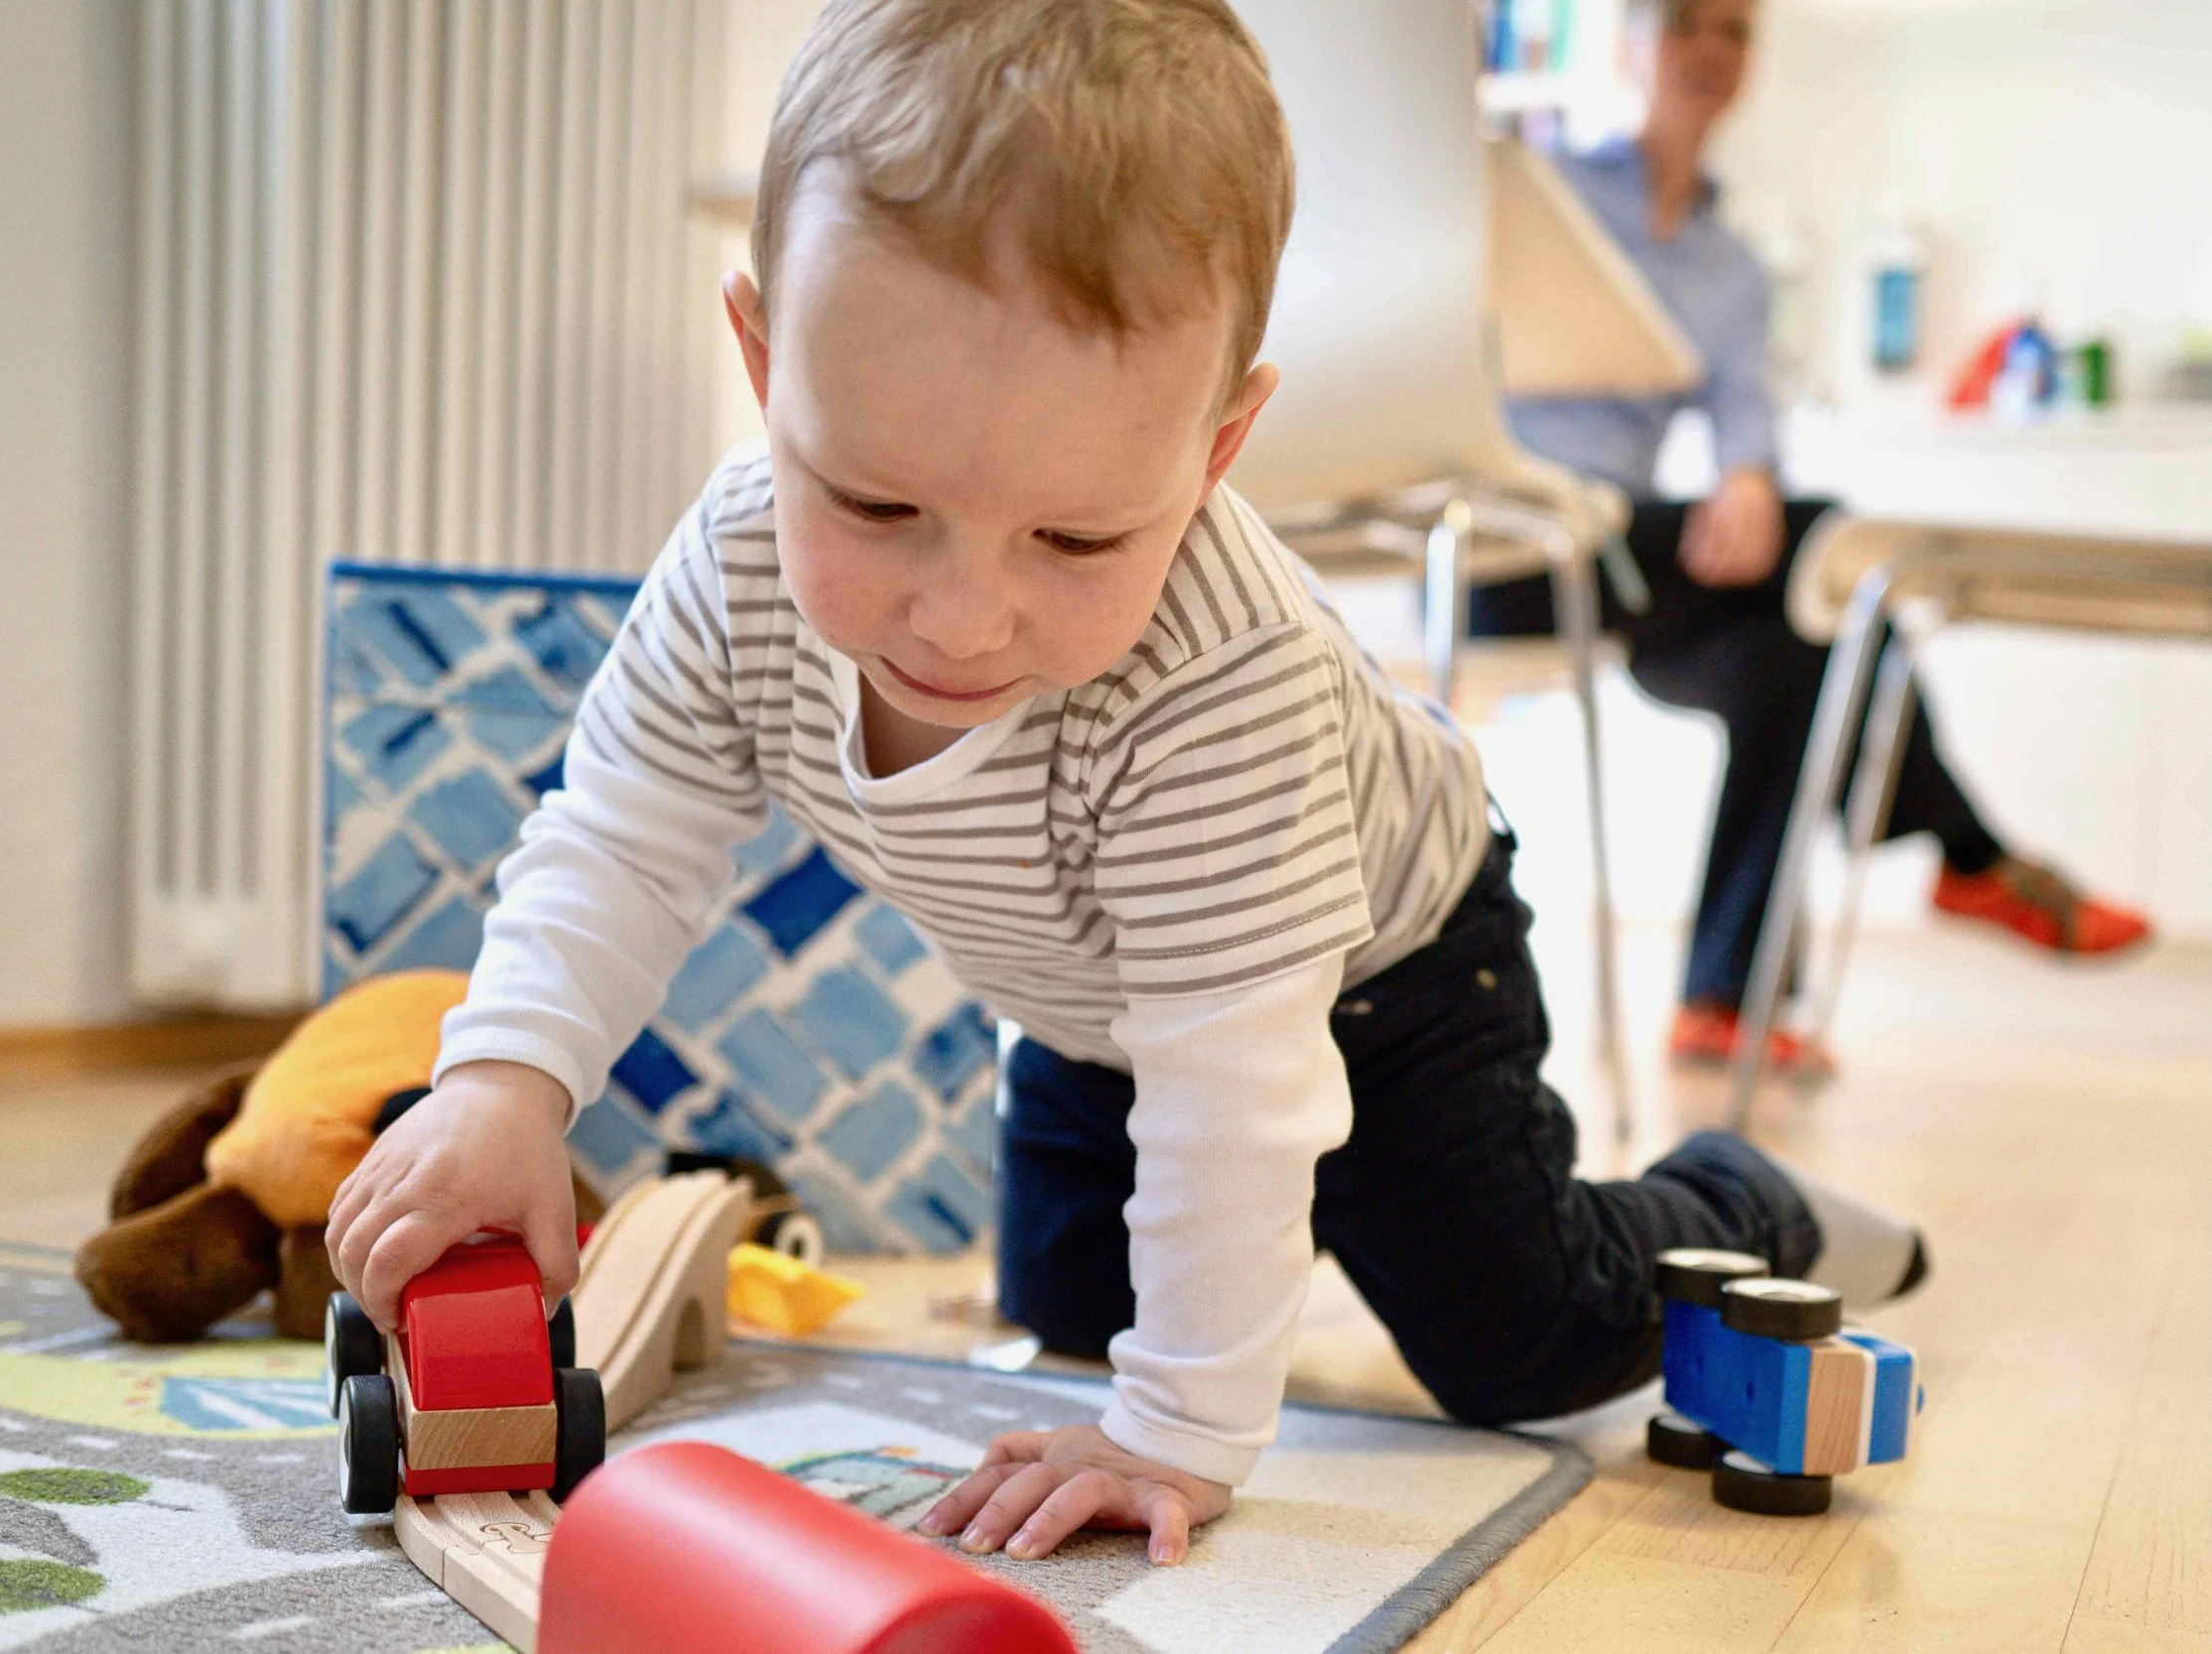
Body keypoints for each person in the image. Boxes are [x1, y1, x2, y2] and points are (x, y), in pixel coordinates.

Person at [327, 0, 1927, 1569]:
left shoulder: (1216, 675)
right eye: (876, 501)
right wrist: (505, 1080)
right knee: (1071, 1317)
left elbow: (1236, 1074)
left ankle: (1741, 1203)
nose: (960, 614)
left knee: (1514, 1342)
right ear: (763, 359)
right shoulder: (730, 566)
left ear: (1219, 446)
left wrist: (1181, 1428)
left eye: (1078, 537)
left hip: (1387, 973)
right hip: (1098, 1005)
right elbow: (620, 831)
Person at [1493, 0, 2151, 1073]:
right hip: (1512, 539)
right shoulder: (1537, 191)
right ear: (1629, 44)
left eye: (1735, 30)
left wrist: (1747, 477)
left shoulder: (1732, 266)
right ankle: (1970, 851)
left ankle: (1718, 1002)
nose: (1709, 49)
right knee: (1829, 542)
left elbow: (1747, 407)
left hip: (1627, 562)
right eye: (1684, 23)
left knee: (1785, 661)